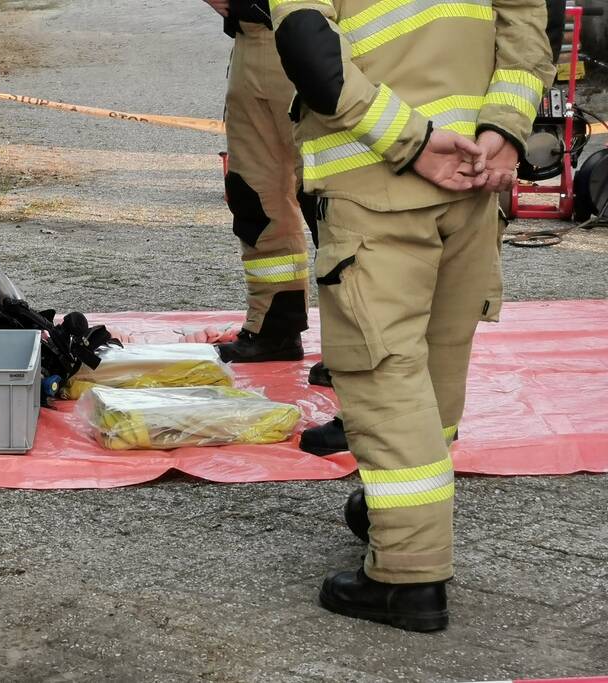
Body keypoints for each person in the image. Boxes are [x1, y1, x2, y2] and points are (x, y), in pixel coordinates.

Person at [267, 0, 554, 631]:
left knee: (384, 371)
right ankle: (388, 513)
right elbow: (531, 23)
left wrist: (413, 142)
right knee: (438, 364)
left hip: (379, 183)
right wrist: (503, 131)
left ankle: (408, 576)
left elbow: (308, 44)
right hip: (476, 184)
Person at [203, 0, 312, 364]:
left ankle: (358, 344)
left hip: (312, 37)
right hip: (249, 42)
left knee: (329, 199)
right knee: (254, 195)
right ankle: (275, 328)